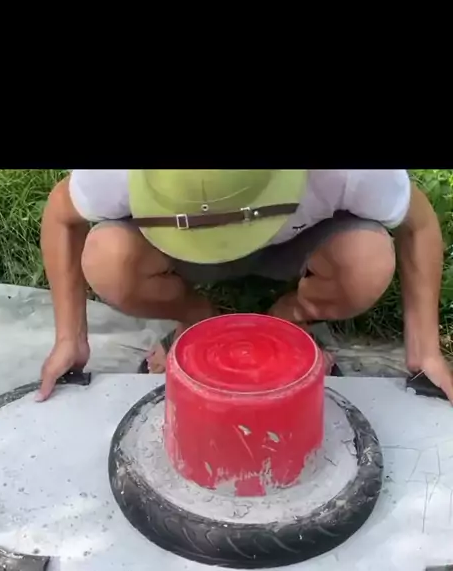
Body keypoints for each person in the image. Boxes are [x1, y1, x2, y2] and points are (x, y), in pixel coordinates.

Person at [37, 169, 453, 403]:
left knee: (366, 260)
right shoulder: (116, 173)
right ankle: (194, 318)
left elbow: (417, 224)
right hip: (179, 252)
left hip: (296, 244)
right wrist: (69, 339)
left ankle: (290, 321)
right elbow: (61, 214)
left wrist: (425, 351)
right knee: (108, 258)